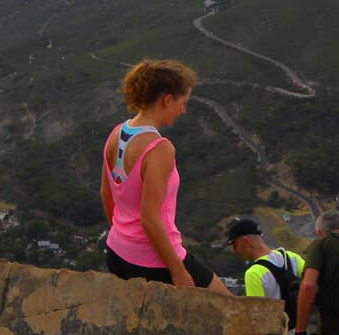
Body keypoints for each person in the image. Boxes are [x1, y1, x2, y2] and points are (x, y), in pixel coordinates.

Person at [100, 59, 229, 295]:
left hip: (117, 252)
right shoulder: (159, 148)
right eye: (183, 103)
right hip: (153, 262)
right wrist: (177, 271)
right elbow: (150, 218)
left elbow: (106, 195)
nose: (184, 110)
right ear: (167, 100)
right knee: (232, 306)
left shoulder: (117, 132)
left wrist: (125, 236)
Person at [293, 210, 339, 335]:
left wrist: (300, 332)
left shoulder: (320, 244)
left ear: (319, 233)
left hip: (334, 324)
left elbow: (308, 286)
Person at [227, 216, 305, 304]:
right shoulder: (291, 257)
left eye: (235, 245)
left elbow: (257, 313)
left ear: (246, 242)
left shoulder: (254, 274)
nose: (234, 250)